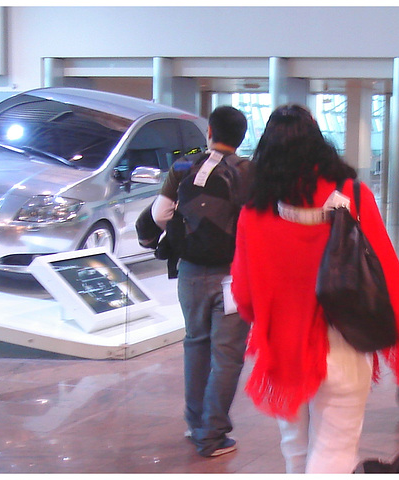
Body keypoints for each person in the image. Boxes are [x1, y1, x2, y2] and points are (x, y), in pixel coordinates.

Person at [230, 104, 399, 473]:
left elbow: (244, 296)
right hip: (344, 342)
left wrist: (274, 317)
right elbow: (389, 279)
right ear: (318, 145)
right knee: (335, 453)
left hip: (283, 349)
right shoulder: (354, 197)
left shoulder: (254, 211)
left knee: (295, 451)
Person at [151, 106, 253, 458]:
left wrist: (189, 238)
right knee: (227, 355)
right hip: (234, 275)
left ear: (210, 131)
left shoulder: (183, 166)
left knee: (195, 343)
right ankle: (211, 435)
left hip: (191, 271)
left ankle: (195, 424)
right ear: (241, 137)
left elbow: (160, 214)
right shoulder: (250, 172)